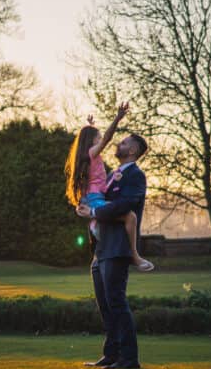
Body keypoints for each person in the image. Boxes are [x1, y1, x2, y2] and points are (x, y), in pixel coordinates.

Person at [76, 133, 150, 369]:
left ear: (133, 151)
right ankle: (111, 354)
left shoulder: (136, 176)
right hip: (101, 247)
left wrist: (95, 213)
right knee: (105, 305)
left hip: (117, 247)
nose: (120, 143)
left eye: (126, 142)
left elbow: (125, 205)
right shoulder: (109, 175)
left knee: (116, 302)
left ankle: (129, 358)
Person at [64, 102, 153, 272]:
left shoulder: (88, 156)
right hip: (95, 200)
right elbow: (106, 137)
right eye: (97, 139)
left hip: (93, 198)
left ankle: (101, 253)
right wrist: (117, 119)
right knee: (131, 218)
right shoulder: (92, 153)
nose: (102, 143)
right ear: (92, 142)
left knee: (106, 225)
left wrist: (91, 126)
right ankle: (134, 255)